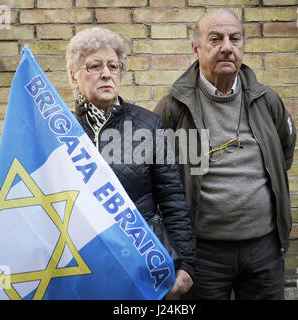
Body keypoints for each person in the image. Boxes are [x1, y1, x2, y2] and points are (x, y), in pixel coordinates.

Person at [154, 9, 296, 300]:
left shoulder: (266, 101)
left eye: (235, 38)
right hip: (202, 254)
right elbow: (159, 177)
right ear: (196, 49)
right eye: (215, 39)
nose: (227, 47)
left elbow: (283, 153)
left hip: (264, 250)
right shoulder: (173, 107)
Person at [65, 27, 194, 297]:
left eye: (114, 65)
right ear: (73, 76)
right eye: (94, 65)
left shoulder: (149, 126)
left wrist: (184, 263)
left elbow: (172, 198)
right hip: (80, 266)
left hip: (139, 263)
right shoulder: (61, 133)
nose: (106, 73)